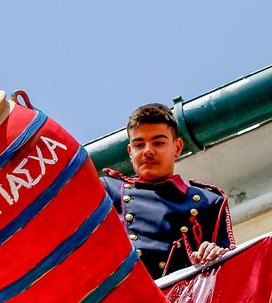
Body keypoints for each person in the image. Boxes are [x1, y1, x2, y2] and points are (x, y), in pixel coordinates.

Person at [101, 103, 235, 278]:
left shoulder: (208, 201)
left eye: (158, 142)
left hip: (182, 299)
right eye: (139, 145)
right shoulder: (108, 191)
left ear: (177, 148)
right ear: (130, 152)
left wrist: (215, 254)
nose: (148, 151)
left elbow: (229, 270)